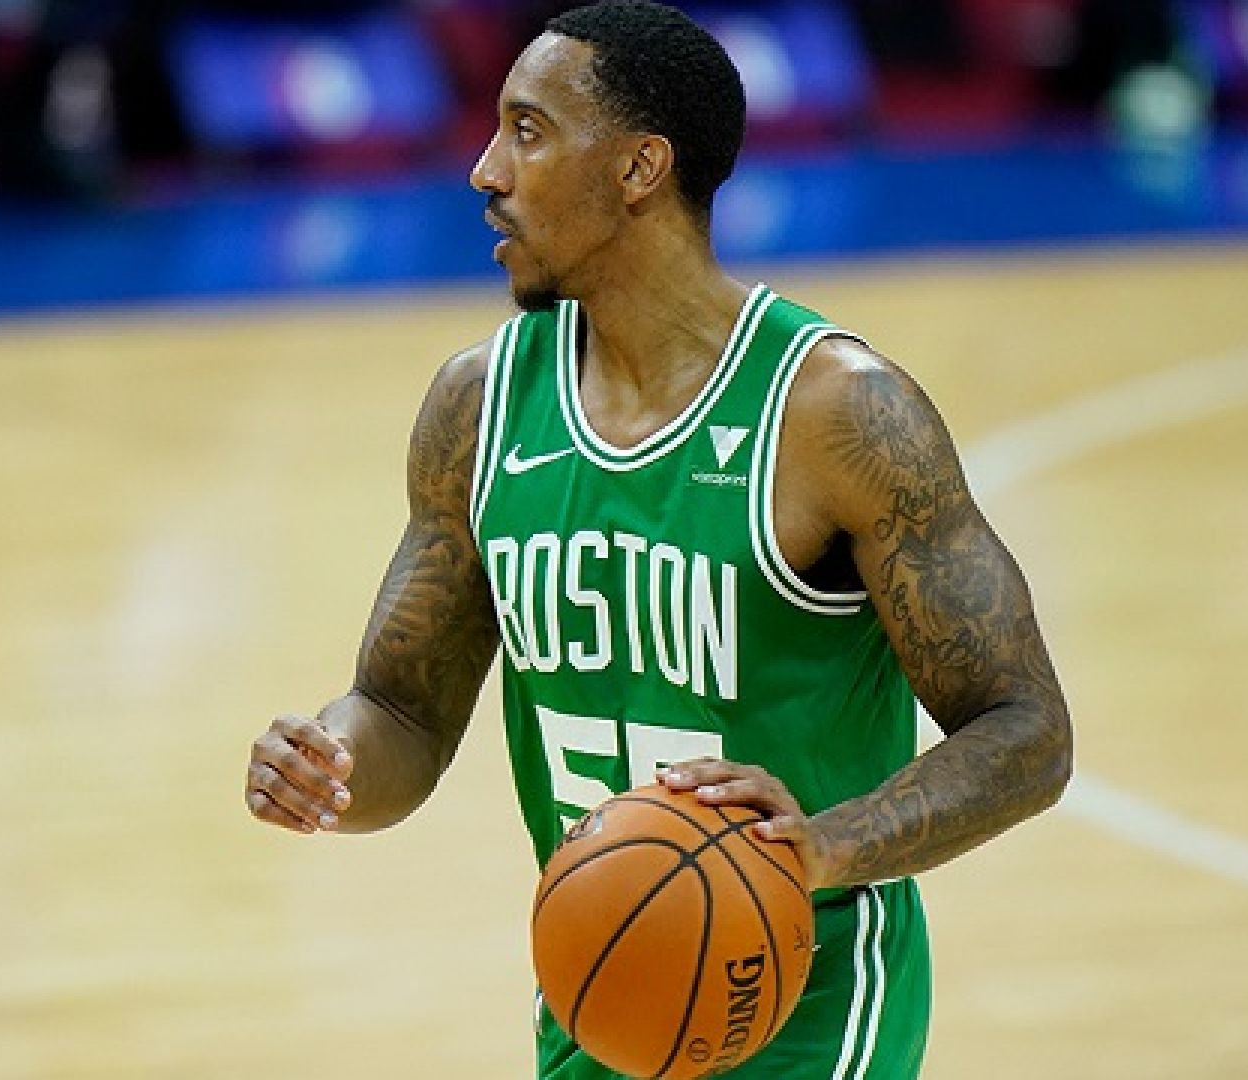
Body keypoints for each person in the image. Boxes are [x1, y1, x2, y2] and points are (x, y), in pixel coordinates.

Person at [245, 2, 1073, 1076]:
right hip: (602, 988)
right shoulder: (479, 406)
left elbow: (1026, 731)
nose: (486, 171)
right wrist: (333, 762)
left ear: (639, 167)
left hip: (812, 1002)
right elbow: (402, 710)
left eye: (528, 131)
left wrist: (819, 850)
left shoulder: (836, 413)